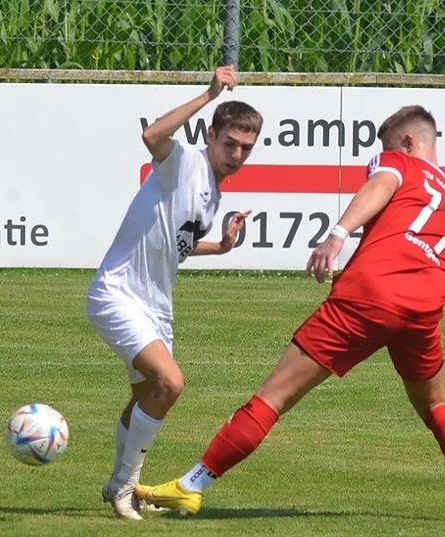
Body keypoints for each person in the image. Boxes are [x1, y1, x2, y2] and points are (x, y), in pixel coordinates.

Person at [135, 105, 445, 525]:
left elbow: (381, 185)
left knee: (273, 397)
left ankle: (193, 485)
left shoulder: (396, 161)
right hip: (424, 307)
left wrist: (337, 235)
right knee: (437, 404)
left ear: (406, 142)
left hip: (369, 294)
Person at [86, 65, 263, 520]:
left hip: (155, 307)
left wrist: (220, 247)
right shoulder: (183, 161)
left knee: (145, 395)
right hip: (117, 294)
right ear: (211, 135)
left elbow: (176, 246)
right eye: (230, 144)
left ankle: (114, 483)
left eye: (246, 147)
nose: (237, 154)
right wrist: (208, 94)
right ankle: (126, 486)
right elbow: (153, 136)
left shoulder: (213, 196)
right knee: (171, 383)